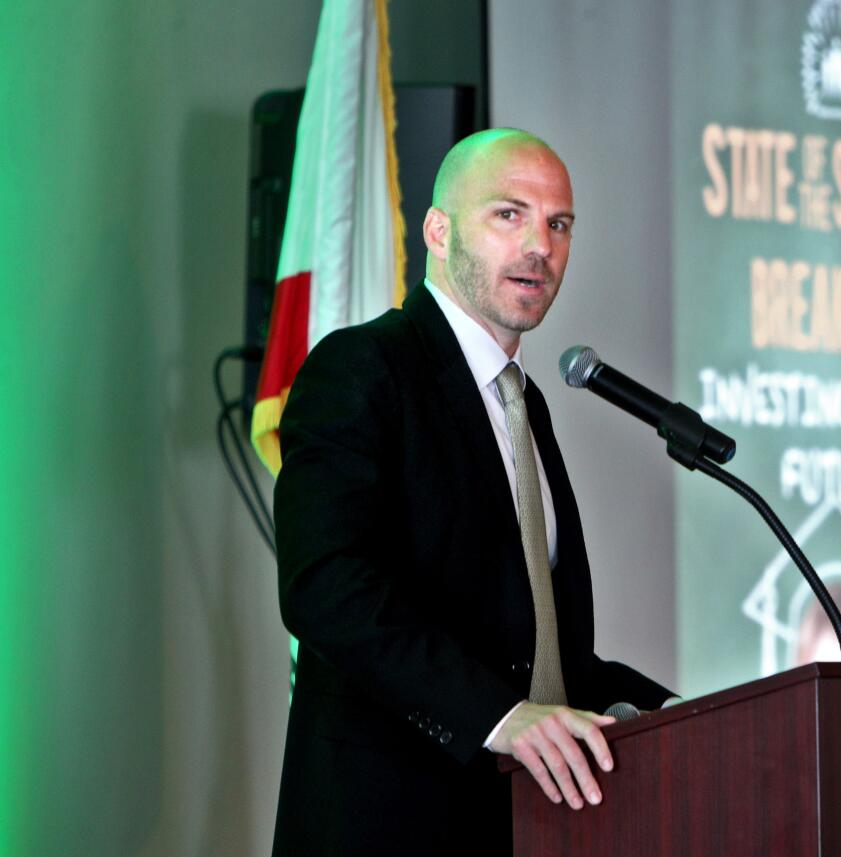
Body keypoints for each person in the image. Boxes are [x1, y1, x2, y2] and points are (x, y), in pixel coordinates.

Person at [270, 128, 674, 857]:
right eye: (508, 215)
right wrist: (498, 715)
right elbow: (325, 586)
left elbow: (535, 656)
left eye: (559, 224)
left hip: (521, 828)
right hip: (387, 826)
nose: (539, 247)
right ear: (438, 229)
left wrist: (678, 709)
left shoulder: (526, 403)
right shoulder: (364, 367)